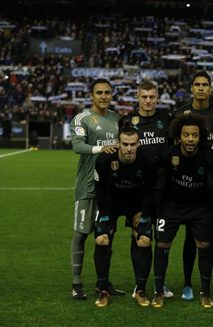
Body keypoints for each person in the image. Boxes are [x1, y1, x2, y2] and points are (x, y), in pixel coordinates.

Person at [152, 113, 213, 309]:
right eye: (186, 135)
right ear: (179, 136)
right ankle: (158, 292)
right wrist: (151, 211)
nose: (190, 139)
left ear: (200, 137)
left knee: (204, 245)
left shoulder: (209, 157)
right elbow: (157, 185)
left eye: (194, 135)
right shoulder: (168, 154)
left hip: (200, 207)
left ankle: (205, 293)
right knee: (162, 244)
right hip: (172, 206)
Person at [175, 71, 213, 300]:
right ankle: (188, 284)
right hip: (189, 184)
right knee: (191, 236)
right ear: (191, 88)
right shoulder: (181, 113)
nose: (201, 88)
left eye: (205, 85)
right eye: (197, 84)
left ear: (211, 88)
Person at [119, 80, 173, 299]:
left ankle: (160, 283)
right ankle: (139, 283)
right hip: (137, 188)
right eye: (144, 97)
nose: (148, 101)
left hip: (164, 186)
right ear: (137, 98)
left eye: (152, 97)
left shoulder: (166, 119)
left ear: (157, 97)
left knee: (162, 237)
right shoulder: (127, 121)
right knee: (138, 235)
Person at [93, 126, 158, 307]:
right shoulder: (104, 160)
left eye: (133, 144)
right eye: (125, 144)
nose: (129, 148)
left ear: (138, 144)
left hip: (136, 206)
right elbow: (99, 189)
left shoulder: (148, 161)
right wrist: (104, 214)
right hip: (111, 205)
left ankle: (141, 291)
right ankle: (103, 289)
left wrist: (144, 214)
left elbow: (150, 192)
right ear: (117, 144)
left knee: (144, 240)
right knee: (102, 239)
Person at [70, 78, 122, 300]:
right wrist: (103, 148)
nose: (103, 96)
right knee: (81, 234)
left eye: (107, 92)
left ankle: (103, 282)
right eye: (99, 92)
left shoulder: (118, 119)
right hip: (88, 186)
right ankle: (76, 283)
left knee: (107, 236)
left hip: (110, 189)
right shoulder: (82, 118)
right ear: (90, 96)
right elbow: (77, 146)